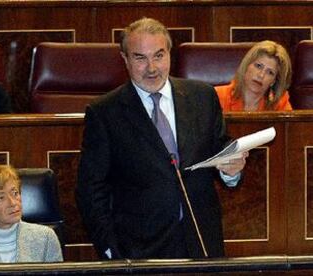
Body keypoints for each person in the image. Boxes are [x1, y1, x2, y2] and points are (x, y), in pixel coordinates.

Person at [75, 17, 248, 260]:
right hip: (138, 249)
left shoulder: (202, 97)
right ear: (125, 59)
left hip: (201, 243)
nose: (152, 67)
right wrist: (110, 248)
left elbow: (220, 150)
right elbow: (91, 190)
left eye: (159, 55)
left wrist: (232, 171)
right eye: (140, 58)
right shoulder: (105, 112)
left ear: (170, 54)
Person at [215, 40, 292, 111]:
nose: (261, 75)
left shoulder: (280, 104)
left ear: (274, 81)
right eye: (258, 66)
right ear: (246, 65)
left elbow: (289, 126)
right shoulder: (217, 96)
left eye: (270, 72)